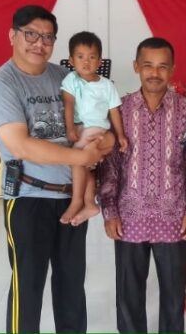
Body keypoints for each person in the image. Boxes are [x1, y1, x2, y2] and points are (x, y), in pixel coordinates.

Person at [0, 5, 109, 333]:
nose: (39, 43)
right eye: (31, 35)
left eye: (48, 37)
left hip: (71, 196)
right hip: (29, 197)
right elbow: (20, 146)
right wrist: (82, 157)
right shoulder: (0, 84)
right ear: (12, 35)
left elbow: (96, 120)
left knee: (71, 286)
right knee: (28, 286)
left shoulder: (65, 78)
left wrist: (101, 144)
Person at [99, 37, 186, 333]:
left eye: (162, 66)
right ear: (136, 66)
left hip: (174, 217)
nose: (155, 73)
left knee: (173, 295)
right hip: (129, 217)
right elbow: (110, 165)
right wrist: (110, 211)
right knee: (128, 295)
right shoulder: (120, 110)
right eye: (148, 65)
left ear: (173, 69)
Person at [61, 31, 127, 226]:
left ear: (99, 61)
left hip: (98, 131)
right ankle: (90, 203)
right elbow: (68, 104)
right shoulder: (71, 80)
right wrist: (70, 127)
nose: (86, 62)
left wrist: (120, 135)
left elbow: (114, 112)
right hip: (82, 130)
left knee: (75, 160)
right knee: (84, 165)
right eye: (80, 57)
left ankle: (76, 202)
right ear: (71, 60)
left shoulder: (107, 85)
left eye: (91, 57)